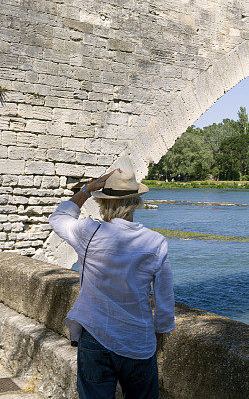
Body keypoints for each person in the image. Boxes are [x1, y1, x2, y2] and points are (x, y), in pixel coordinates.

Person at [49, 168, 175, 399]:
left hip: (94, 336)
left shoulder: (88, 232)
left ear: (102, 203)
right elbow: (164, 302)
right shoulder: (155, 242)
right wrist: (155, 341)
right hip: (138, 340)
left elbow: (58, 217)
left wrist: (87, 189)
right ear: (136, 202)